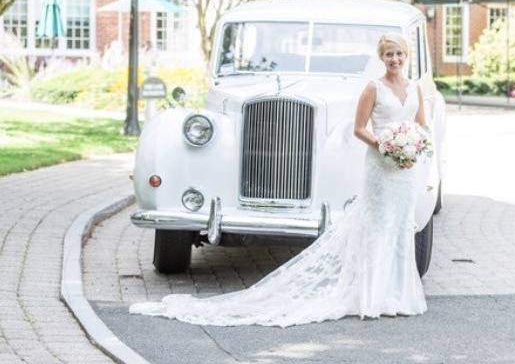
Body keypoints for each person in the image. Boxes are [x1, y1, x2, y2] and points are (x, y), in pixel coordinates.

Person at [129, 33, 429, 327]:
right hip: (381, 162)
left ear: (405, 56)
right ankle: (372, 295)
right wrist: (384, 145)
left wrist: (411, 146)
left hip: (403, 169)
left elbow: (422, 127)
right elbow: (360, 128)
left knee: (400, 226)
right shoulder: (372, 88)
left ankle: (398, 295)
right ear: (382, 57)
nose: (395, 59)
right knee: (377, 226)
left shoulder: (414, 89)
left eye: (399, 54)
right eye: (389, 54)